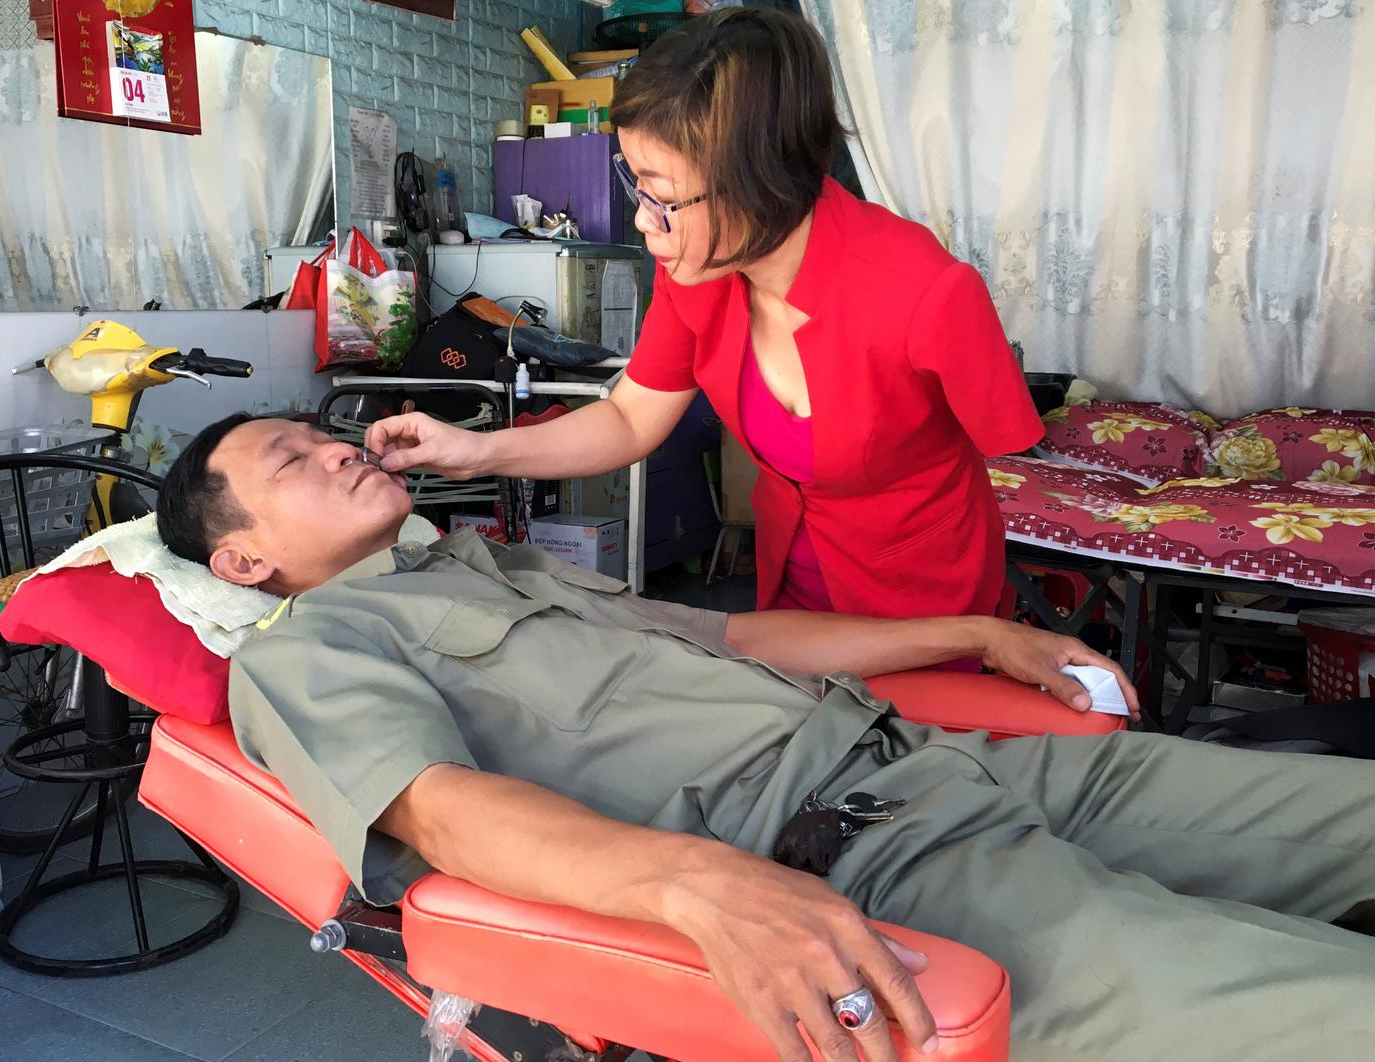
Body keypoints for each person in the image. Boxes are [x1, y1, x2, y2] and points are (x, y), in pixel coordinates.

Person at [158, 415, 1375, 1062]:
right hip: (868, 871)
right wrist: (699, 885)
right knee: (1371, 1025)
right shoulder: (311, 647)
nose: (340, 448)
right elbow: (441, 812)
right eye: (294, 461)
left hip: (952, 759)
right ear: (244, 560)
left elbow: (742, 631)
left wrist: (983, 630)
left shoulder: (493, 563)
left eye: (329, 434)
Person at [366, 9, 1044, 625]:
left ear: (760, 179)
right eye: (636, 184)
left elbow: (1020, 465)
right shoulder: (700, 269)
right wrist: (477, 451)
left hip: (928, 607)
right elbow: (632, 418)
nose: (641, 220)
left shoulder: (925, 292)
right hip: (794, 599)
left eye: (659, 196)